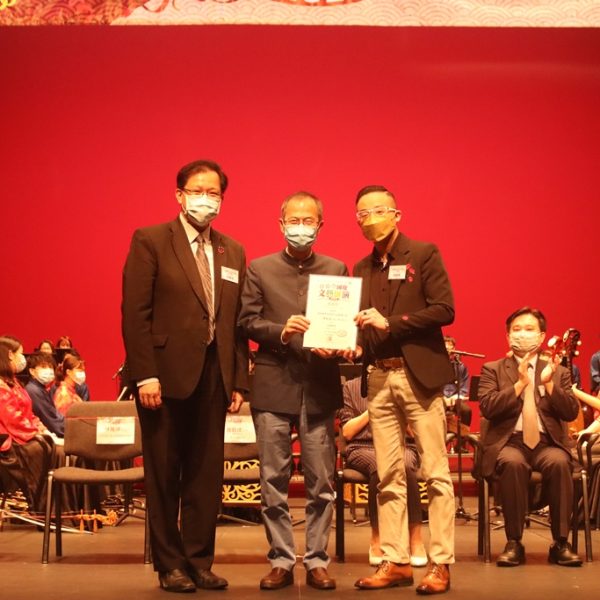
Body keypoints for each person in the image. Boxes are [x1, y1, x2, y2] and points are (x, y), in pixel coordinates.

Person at [122, 159, 248, 593]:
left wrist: (238, 380)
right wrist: (145, 375)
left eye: (214, 193)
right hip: (162, 377)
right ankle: (170, 565)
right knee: (163, 474)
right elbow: (135, 314)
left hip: (215, 376)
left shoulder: (232, 250)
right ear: (179, 195)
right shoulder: (152, 240)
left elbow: (235, 322)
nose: (205, 199)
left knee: (205, 475)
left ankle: (199, 561)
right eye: (197, 191)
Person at [238, 191, 345, 591]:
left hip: (319, 386)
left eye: (309, 220)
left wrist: (340, 343)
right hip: (273, 384)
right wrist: (280, 332)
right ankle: (281, 560)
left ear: (321, 225)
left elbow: (343, 322)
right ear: (281, 224)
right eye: (294, 220)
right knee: (272, 480)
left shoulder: (336, 268)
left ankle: (317, 561)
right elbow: (247, 321)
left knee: (322, 482)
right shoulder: (260, 268)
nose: (301, 227)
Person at [351, 185, 455, 595]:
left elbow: (444, 309)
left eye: (378, 210)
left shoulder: (423, 254)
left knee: (435, 471)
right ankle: (395, 560)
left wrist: (391, 323)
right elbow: (361, 323)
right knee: (389, 474)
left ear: (397, 214)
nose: (370, 219)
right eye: (362, 214)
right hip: (378, 376)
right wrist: (354, 342)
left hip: (417, 376)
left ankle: (440, 563)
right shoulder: (361, 267)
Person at [478, 307, 582, 568]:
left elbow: (570, 411)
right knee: (513, 463)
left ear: (541, 335)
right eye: (516, 329)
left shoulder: (558, 371)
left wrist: (549, 385)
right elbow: (488, 407)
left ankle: (560, 543)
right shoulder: (493, 369)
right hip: (510, 442)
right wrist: (520, 384)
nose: (522, 334)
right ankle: (514, 542)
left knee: (560, 463)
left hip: (548, 444)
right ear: (507, 336)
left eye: (529, 329)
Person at [339, 376, 427, 568]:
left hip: (402, 445)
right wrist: (374, 407)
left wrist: (401, 412)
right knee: (380, 465)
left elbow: (415, 433)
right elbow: (347, 432)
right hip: (363, 447)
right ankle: (376, 539)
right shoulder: (351, 387)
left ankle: (415, 540)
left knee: (404, 465)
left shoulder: (402, 382)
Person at [0, 336, 54, 514]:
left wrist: (44, 430)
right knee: (41, 449)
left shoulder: (14, 382)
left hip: (22, 434)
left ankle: (63, 507)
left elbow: (29, 414)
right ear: (10, 355)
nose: (23, 358)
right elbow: (13, 420)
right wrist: (37, 434)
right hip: (9, 442)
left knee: (56, 448)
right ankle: (42, 508)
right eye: (20, 354)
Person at [25, 352, 64, 437]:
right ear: (32, 371)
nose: (49, 370)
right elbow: (49, 420)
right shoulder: (34, 390)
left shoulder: (41, 389)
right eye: (43, 367)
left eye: (50, 367)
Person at [443, 337, 472, 446]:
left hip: (455, 398)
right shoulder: (435, 365)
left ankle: (461, 444)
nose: (448, 349)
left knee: (466, 411)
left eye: (451, 346)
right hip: (440, 398)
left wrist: (457, 397)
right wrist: (443, 398)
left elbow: (464, 385)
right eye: (446, 346)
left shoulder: (460, 366)